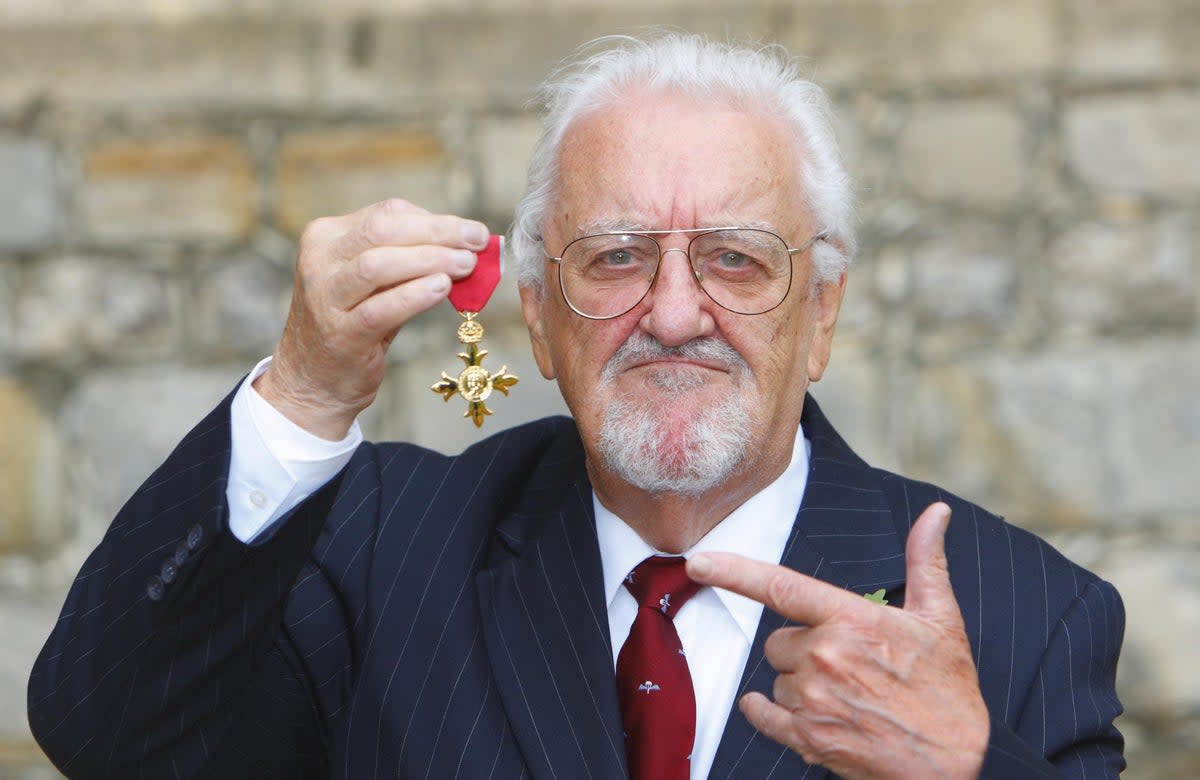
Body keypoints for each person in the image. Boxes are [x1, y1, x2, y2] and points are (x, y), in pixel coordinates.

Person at [28, 33, 1124, 779]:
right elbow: (111, 734)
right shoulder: (380, 549)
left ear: (823, 316)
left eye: (737, 261)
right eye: (616, 258)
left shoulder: (1025, 614)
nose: (676, 313)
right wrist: (306, 390)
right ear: (540, 315)